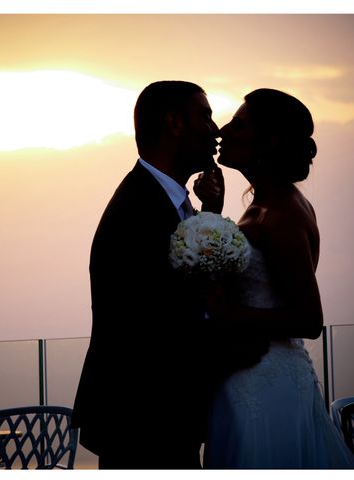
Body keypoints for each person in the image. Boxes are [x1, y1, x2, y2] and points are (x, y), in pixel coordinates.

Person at [71, 80, 237, 469]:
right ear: (174, 123)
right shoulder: (137, 209)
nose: (215, 131)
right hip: (143, 419)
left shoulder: (169, 202)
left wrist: (211, 212)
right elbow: (164, 317)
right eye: (205, 116)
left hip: (163, 419)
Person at [199, 88, 354, 468]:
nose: (222, 131)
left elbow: (308, 319)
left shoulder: (283, 214)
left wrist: (225, 313)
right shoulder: (263, 207)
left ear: (269, 141)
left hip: (266, 383)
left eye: (238, 125)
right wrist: (211, 211)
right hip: (248, 375)